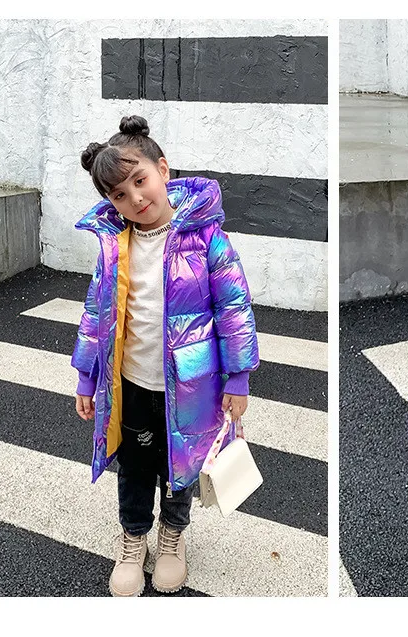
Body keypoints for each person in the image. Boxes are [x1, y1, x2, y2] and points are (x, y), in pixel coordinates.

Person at [71, 115, 259, 597]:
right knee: (135, 467)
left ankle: (172, 537)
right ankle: (134, 537)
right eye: (118, 195)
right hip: (133, 384)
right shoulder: (114, 247)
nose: (135, 199)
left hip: (194, 386)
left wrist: (238, 378)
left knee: (182, 465)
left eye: (140, 181)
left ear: (163, 170)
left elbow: (234, 309)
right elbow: (96, 313)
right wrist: (87, 377)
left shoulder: (207, 240)